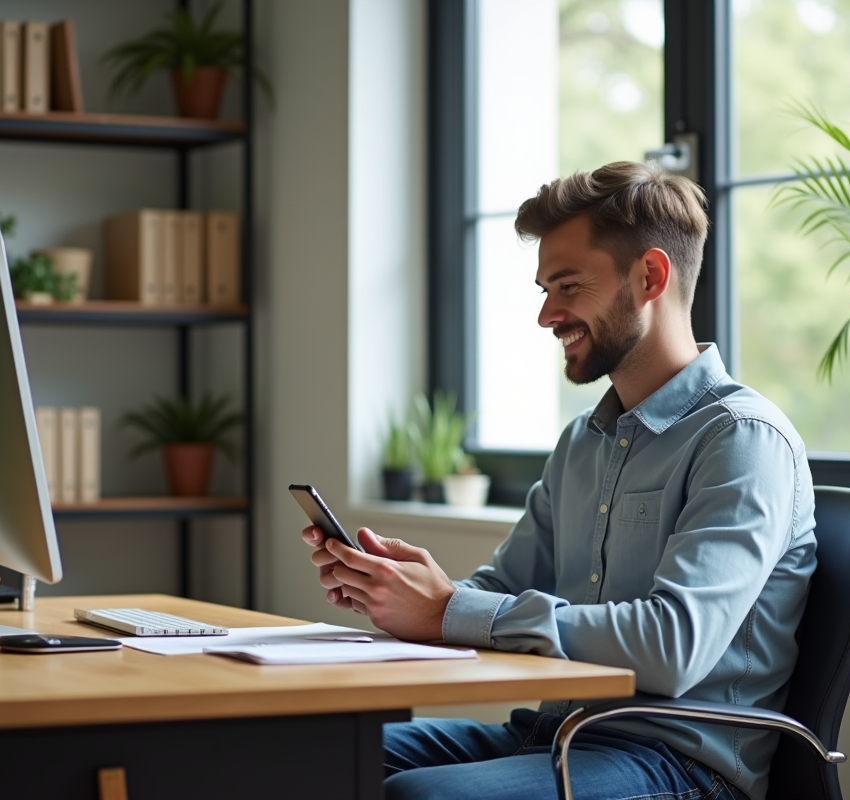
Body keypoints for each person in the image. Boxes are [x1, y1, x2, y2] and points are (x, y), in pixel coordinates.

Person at [302, 161, 817, 800]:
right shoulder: (582, 443)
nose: (548, 315)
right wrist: (401, 592)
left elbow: (673, 647)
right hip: (555, 736)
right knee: (312, 753)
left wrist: (451, 610)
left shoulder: (742, 439)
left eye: (568, 286)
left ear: (651, 276)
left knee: (422, 796)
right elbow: (500, 592)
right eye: (545, 290)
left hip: (679, 767)